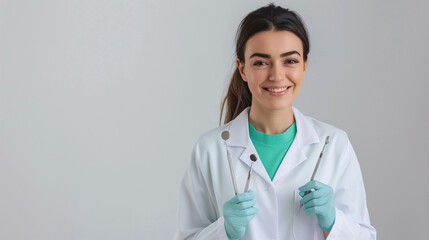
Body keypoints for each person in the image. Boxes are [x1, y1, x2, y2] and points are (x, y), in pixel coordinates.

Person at [174, 3, 376, 240]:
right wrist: (223, 232)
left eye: (290, 61)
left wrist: (333, 223)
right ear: (242, 69)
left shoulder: (333, 145)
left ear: (304, 66)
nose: (277, 75)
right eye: (261, 62)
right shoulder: (210, 149)